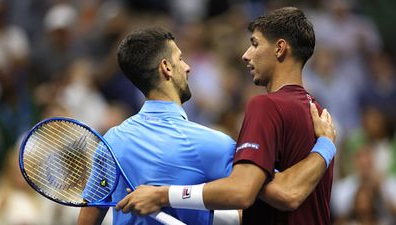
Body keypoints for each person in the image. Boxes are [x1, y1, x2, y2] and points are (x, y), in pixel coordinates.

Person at [79, 24, 335, 225]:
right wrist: (324, 146)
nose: (188, 67)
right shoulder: (211, 144)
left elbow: (88, 219)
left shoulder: (110, 142)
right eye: (180, 59)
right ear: (166, 68)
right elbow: (285, 192)